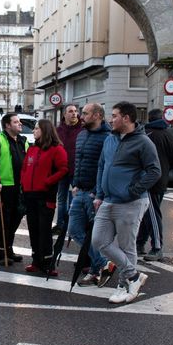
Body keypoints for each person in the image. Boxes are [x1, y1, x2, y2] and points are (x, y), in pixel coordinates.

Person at [92, 101, 161, 304]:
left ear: (126, 118)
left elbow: (154, 171)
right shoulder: (110, 139)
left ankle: (124, 285)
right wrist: (99, 194)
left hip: (131, 202)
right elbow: (101, 165)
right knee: (99, 241)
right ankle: (134, 276)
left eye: (114, 116)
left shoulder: (143, 142)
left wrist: (133, 190)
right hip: (108, 200)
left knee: (126, 246)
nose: (110, 119)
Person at [70, 103, 114, 287]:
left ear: (97, 115)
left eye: (85, 113)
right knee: (74, 230)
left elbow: (105, 167)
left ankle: (96, 271)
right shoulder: (81, 135)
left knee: (95, 235)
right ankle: (103, 265)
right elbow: (78, 161)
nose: (81, 116)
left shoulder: (108, 138)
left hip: (94, 194)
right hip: (79, 191)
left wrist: (98, 193)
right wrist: (74, 184)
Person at [20, 119, 68, 276]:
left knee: (44, 230)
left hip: (45, 195)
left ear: (45, 130)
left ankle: (47, 263)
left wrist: (47, 182)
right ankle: (36, 261)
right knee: (33, 229)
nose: (34, 131)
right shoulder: (32, 149)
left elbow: (63, 169)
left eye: (36, 128)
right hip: (30, 195)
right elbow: (25, 167)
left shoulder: (57, 149)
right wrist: (24, 183)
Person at [137, 109, 173, 261]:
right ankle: (139, 243)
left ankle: (157, 246)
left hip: (148, 179)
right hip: (162, 179)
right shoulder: (171, 136)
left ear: (149, 119)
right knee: (147, 213)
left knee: (152, 214)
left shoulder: (146, 135)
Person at [0, 113, 28, 265]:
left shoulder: (23, 140)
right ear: (8, 125)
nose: (20, 124)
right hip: (3, 187)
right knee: (2, 221)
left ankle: (8, 249)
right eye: (16, 122)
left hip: (19, 187)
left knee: (15, 219)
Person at [53, 104, 82, 234]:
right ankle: (60, 225)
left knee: (74, 199)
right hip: (61, 169)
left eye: (76, 111)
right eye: (71, 111)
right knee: (61, 198)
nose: (74, 113)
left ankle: (72, 226)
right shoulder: (59, 130)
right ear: (65, 114)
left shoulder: (82, 129)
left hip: (76, 169)